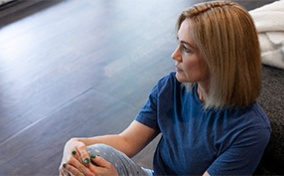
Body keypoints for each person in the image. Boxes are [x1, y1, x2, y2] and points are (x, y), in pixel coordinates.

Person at [59, 1, 271, 175]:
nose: (174, 55)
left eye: (186, 49)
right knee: (90, 158)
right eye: (178, 43)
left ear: (219, 59)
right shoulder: (171, 87)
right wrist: (76, 144)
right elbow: (127, 141)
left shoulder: (249, 131)